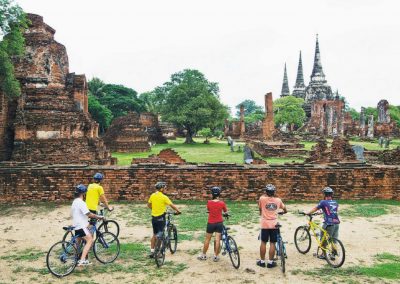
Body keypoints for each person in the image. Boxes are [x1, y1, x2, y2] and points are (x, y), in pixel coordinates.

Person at [72, 184, 104, 266]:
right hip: (81, 226)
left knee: (78, 243)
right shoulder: (81, 203)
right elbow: (89, 214)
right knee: (90, 240)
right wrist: (99, 217)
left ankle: (76, 259)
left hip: (76, 225)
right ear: (83, 194)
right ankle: (82, 260)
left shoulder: (74, 202)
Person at [304, 187, 340, 259]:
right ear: (331, 194)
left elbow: (315, 208)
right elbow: (330, 210)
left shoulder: (323, 202)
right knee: (333, 239)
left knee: (323, 239)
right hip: (336, 223)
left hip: (329, 223)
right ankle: (333, 253)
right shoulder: (335, 202)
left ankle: (323, 255)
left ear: (324, 194)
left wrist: (307, 213)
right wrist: (321, 212)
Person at [147, 181, 181, 258]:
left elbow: (148, 205)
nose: (166, 189)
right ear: (161, 189)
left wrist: (154, 209)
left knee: (154, 234)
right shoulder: (164, 197)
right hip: (161, 218)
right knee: (161, 234)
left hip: (154, 218)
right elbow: (172, 205)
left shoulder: (152, 195)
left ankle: (152, 251)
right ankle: (158, 252)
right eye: (165, 188)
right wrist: (178, 211)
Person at [257, 184, 287, 268]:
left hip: (264, 224)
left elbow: (260, 209)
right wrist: (284, 211)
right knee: (272, 243)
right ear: (274, 192)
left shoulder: (262, 199)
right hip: (274, 224)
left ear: (266, 192)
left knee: (263, 242)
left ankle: (262, 261)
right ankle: (270, 262)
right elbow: (285, 209)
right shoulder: (278, 200)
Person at [197, 186, 228, 262]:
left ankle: (203, 255)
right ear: (219, 194)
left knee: (207, 239)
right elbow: (225, 211)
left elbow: (208, 209)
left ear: (212, 194)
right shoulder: (222, 203)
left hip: (211, 223)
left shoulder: (209, 202)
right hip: (219, 223)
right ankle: (216, 256)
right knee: (217, 240)